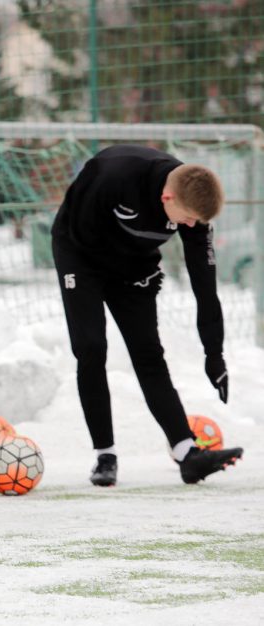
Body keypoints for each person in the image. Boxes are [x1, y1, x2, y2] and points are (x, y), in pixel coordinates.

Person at [51, 144, 243, 486]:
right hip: (79, 252)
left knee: (149, 352)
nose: (190, 225)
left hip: (133, 263)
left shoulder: (192, 206)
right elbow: (81, 237)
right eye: (186, 218)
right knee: (91, 347)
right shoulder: (115, 177)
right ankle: (105, 454)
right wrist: (124, 276)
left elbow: (205, 286)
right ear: (167, 198)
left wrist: (214, 354)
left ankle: (187, 453)